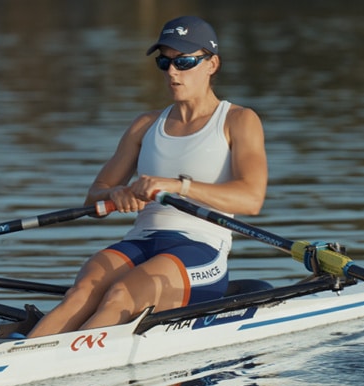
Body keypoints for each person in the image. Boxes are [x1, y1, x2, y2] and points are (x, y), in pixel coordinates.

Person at [28, 16, 267, 337]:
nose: (172, 71)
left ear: (212, 64)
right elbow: (95, 195)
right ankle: (19, 358)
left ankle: (65, 357)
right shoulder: (145, 125)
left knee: (121, 295)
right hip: (141, 241)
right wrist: (116, 194)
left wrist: (178, 186)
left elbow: (251, 199)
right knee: (81, 292)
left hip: (201, 248)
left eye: (184, 62)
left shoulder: (238, 120)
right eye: (164, 62)